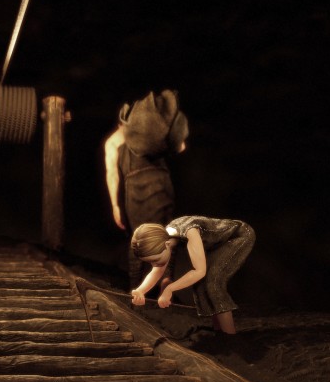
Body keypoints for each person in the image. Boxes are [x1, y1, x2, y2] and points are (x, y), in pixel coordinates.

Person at [103, 89, 189, 288]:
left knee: (141, 237)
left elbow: (112, 175)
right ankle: (164, 281)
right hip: (162, 182)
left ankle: (138, 286)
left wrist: (116, 205)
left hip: (138, 190)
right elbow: (181, 147)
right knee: (168, 234)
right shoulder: (153, 135)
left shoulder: (113, 142)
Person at [130, 215, 255, 334]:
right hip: (217, 245)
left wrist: (170, 289)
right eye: (150, 262)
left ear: (167, 245)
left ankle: (229, 335)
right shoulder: (164, 238)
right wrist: (141, 291)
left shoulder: (190, 232)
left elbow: (199, 271)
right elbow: (157, 270)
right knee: (201, 285)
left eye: (156, 260)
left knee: (212, 282)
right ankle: (219, 332)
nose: (154, 264)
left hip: (238, 236)